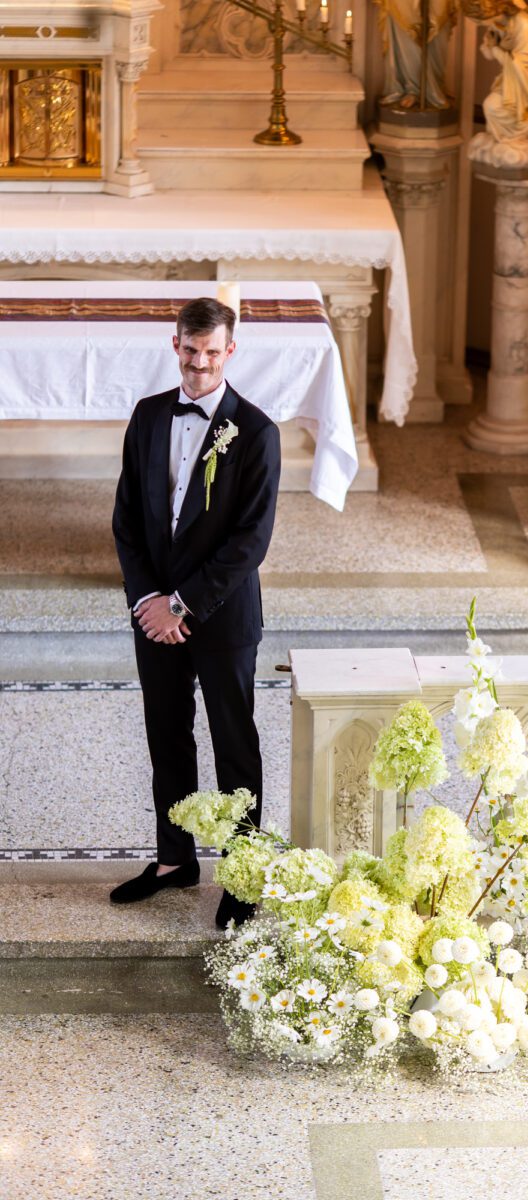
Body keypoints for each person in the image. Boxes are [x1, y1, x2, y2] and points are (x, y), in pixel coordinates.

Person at [110, 297, 281, 928]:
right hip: (154, 614)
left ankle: (242, 873)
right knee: (168, 736)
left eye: (213, 352)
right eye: (190, 349)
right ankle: (173, 858)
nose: (200, 363)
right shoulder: (150, 416)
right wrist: (148, 600)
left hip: (223, 616)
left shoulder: (257, 432)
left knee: (235, 744)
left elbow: (250, 541)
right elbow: (127, 519)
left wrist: (182, 602)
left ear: (230, 352)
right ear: (174, 345)